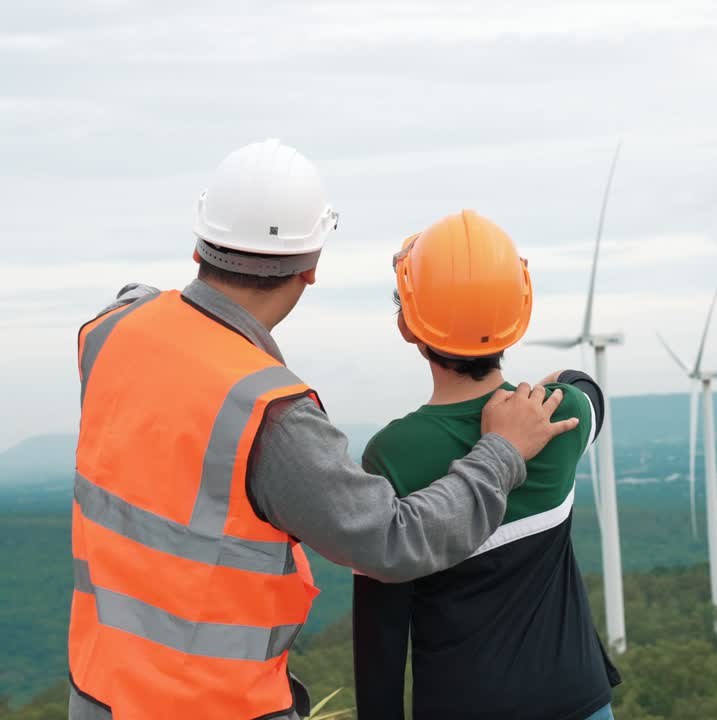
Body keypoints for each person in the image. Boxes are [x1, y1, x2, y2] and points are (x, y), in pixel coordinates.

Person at [68, 141, 577, 720]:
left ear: (198, 245)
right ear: (311, 268)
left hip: (99, 690)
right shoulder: (272, 415)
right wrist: (501, 452)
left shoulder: (109, 330)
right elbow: (392, 541)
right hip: (212, 704)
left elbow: (142, 306)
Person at [352, 211, 620, 720]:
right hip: (579, 703)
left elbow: (381, 634)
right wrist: (538, 393)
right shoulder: (559, 414)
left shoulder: (393, 455)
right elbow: (586, 386)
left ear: (410, 326)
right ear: (517, 317)